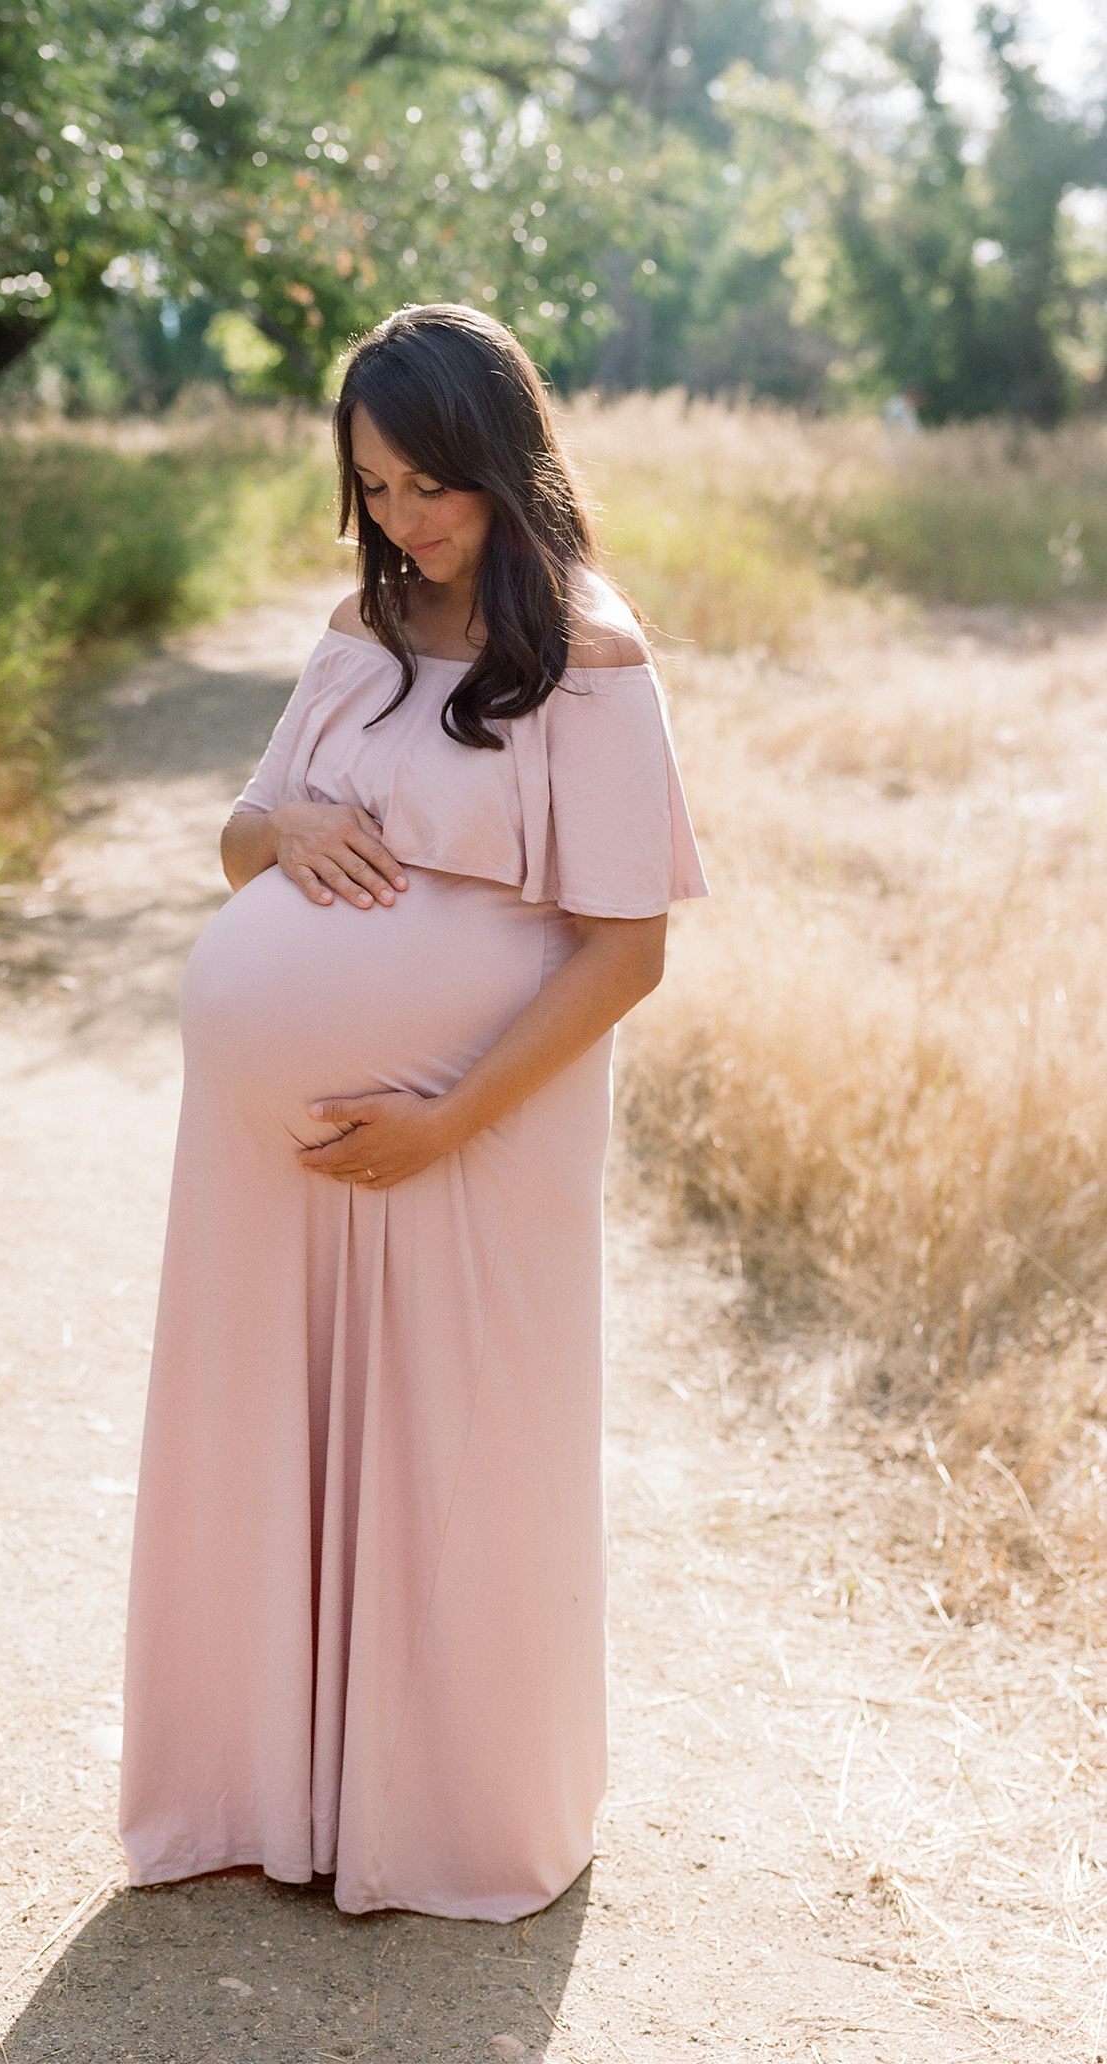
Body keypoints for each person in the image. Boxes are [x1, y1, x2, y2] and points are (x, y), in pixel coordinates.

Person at [119, 303, 707, 1922]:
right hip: (274, 1160)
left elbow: (628, 951)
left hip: (473, 1137)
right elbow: (244, 833)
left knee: (455, 1446)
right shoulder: (360, 621)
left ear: (505, 463)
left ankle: (434, 1814)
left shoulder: (585, 654)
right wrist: (289, 824)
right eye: (374, 488)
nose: (405, 521)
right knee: (270, 1435)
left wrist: (447, 1118)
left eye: (432, 484)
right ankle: (268, 1792)